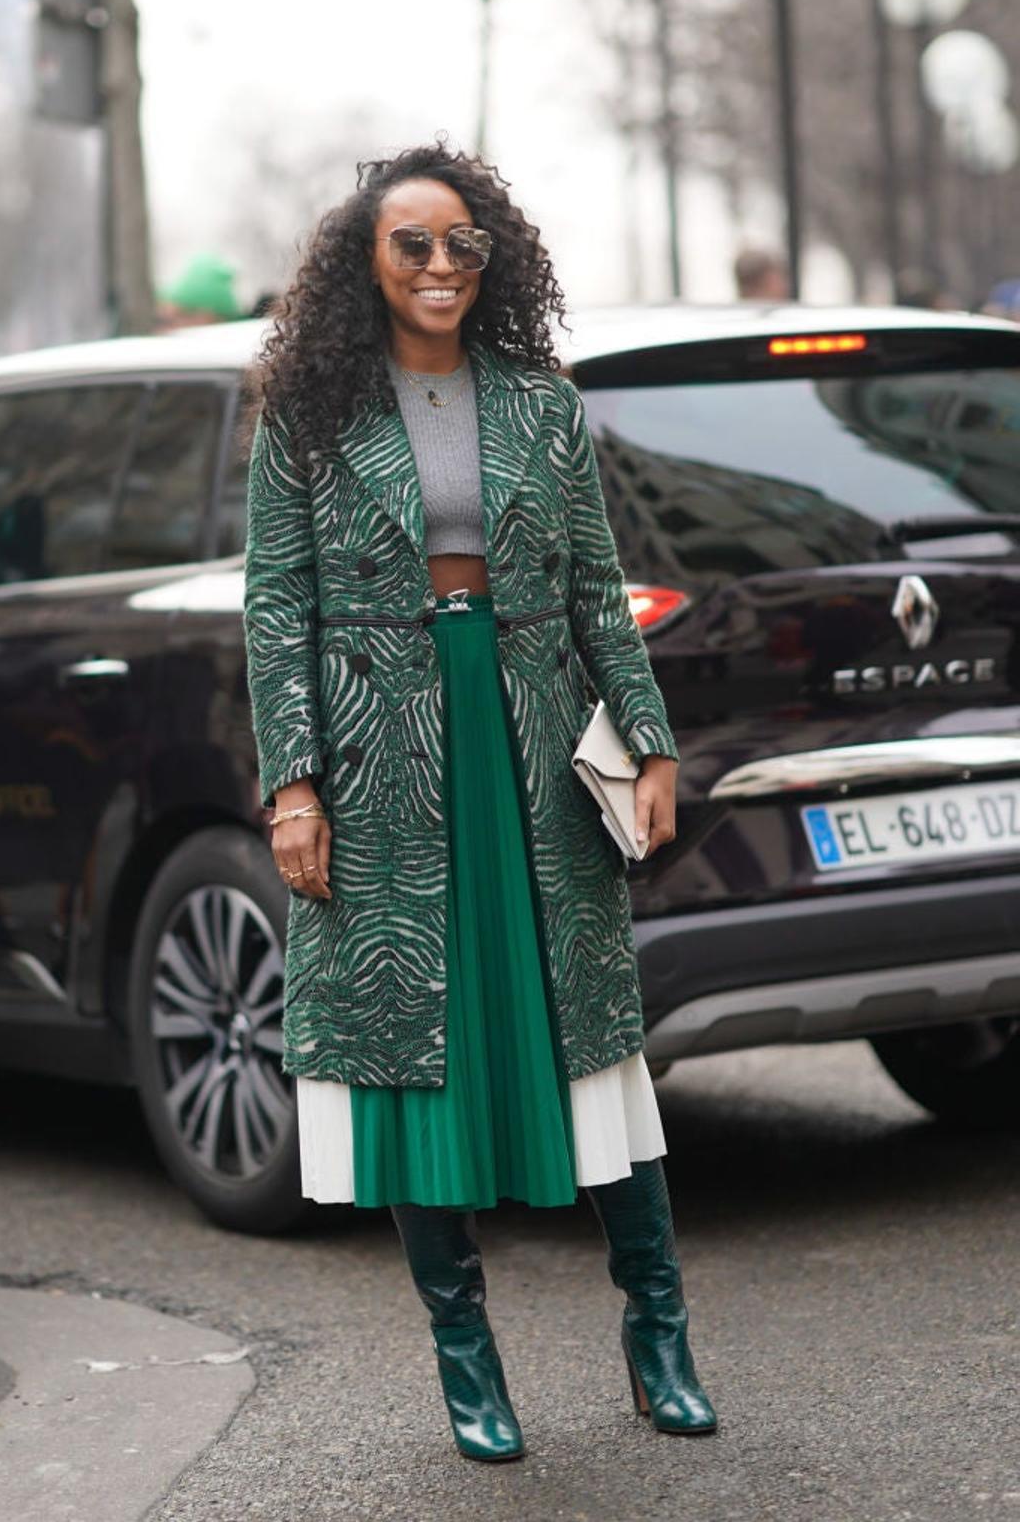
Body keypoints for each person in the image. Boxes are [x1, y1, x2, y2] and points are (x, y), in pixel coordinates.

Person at [242, 137, 717, 1463]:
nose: (443, 266)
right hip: (379, 753)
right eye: (414, 244)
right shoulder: (312, 414)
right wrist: (294, 783)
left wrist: (652, 739)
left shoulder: (539, 406)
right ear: (365, 261)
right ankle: (468, 1360)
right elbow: (278, 606)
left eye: (465, 244)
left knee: (595, 1047)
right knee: (412, 1061)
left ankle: (658, 1334)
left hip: (528, 740)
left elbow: (589, 590)